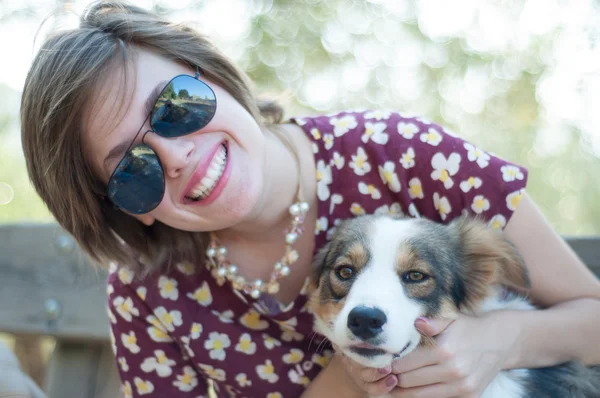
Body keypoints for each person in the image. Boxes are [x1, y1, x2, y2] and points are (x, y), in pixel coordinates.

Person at [20, 1, 600, 397]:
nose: (174, 155)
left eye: (175, 106)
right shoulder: (148, 291)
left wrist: (499, 340)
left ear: (213, 73)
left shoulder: (401, 156)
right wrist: (359, 374)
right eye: (131, 167)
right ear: (117, 205)